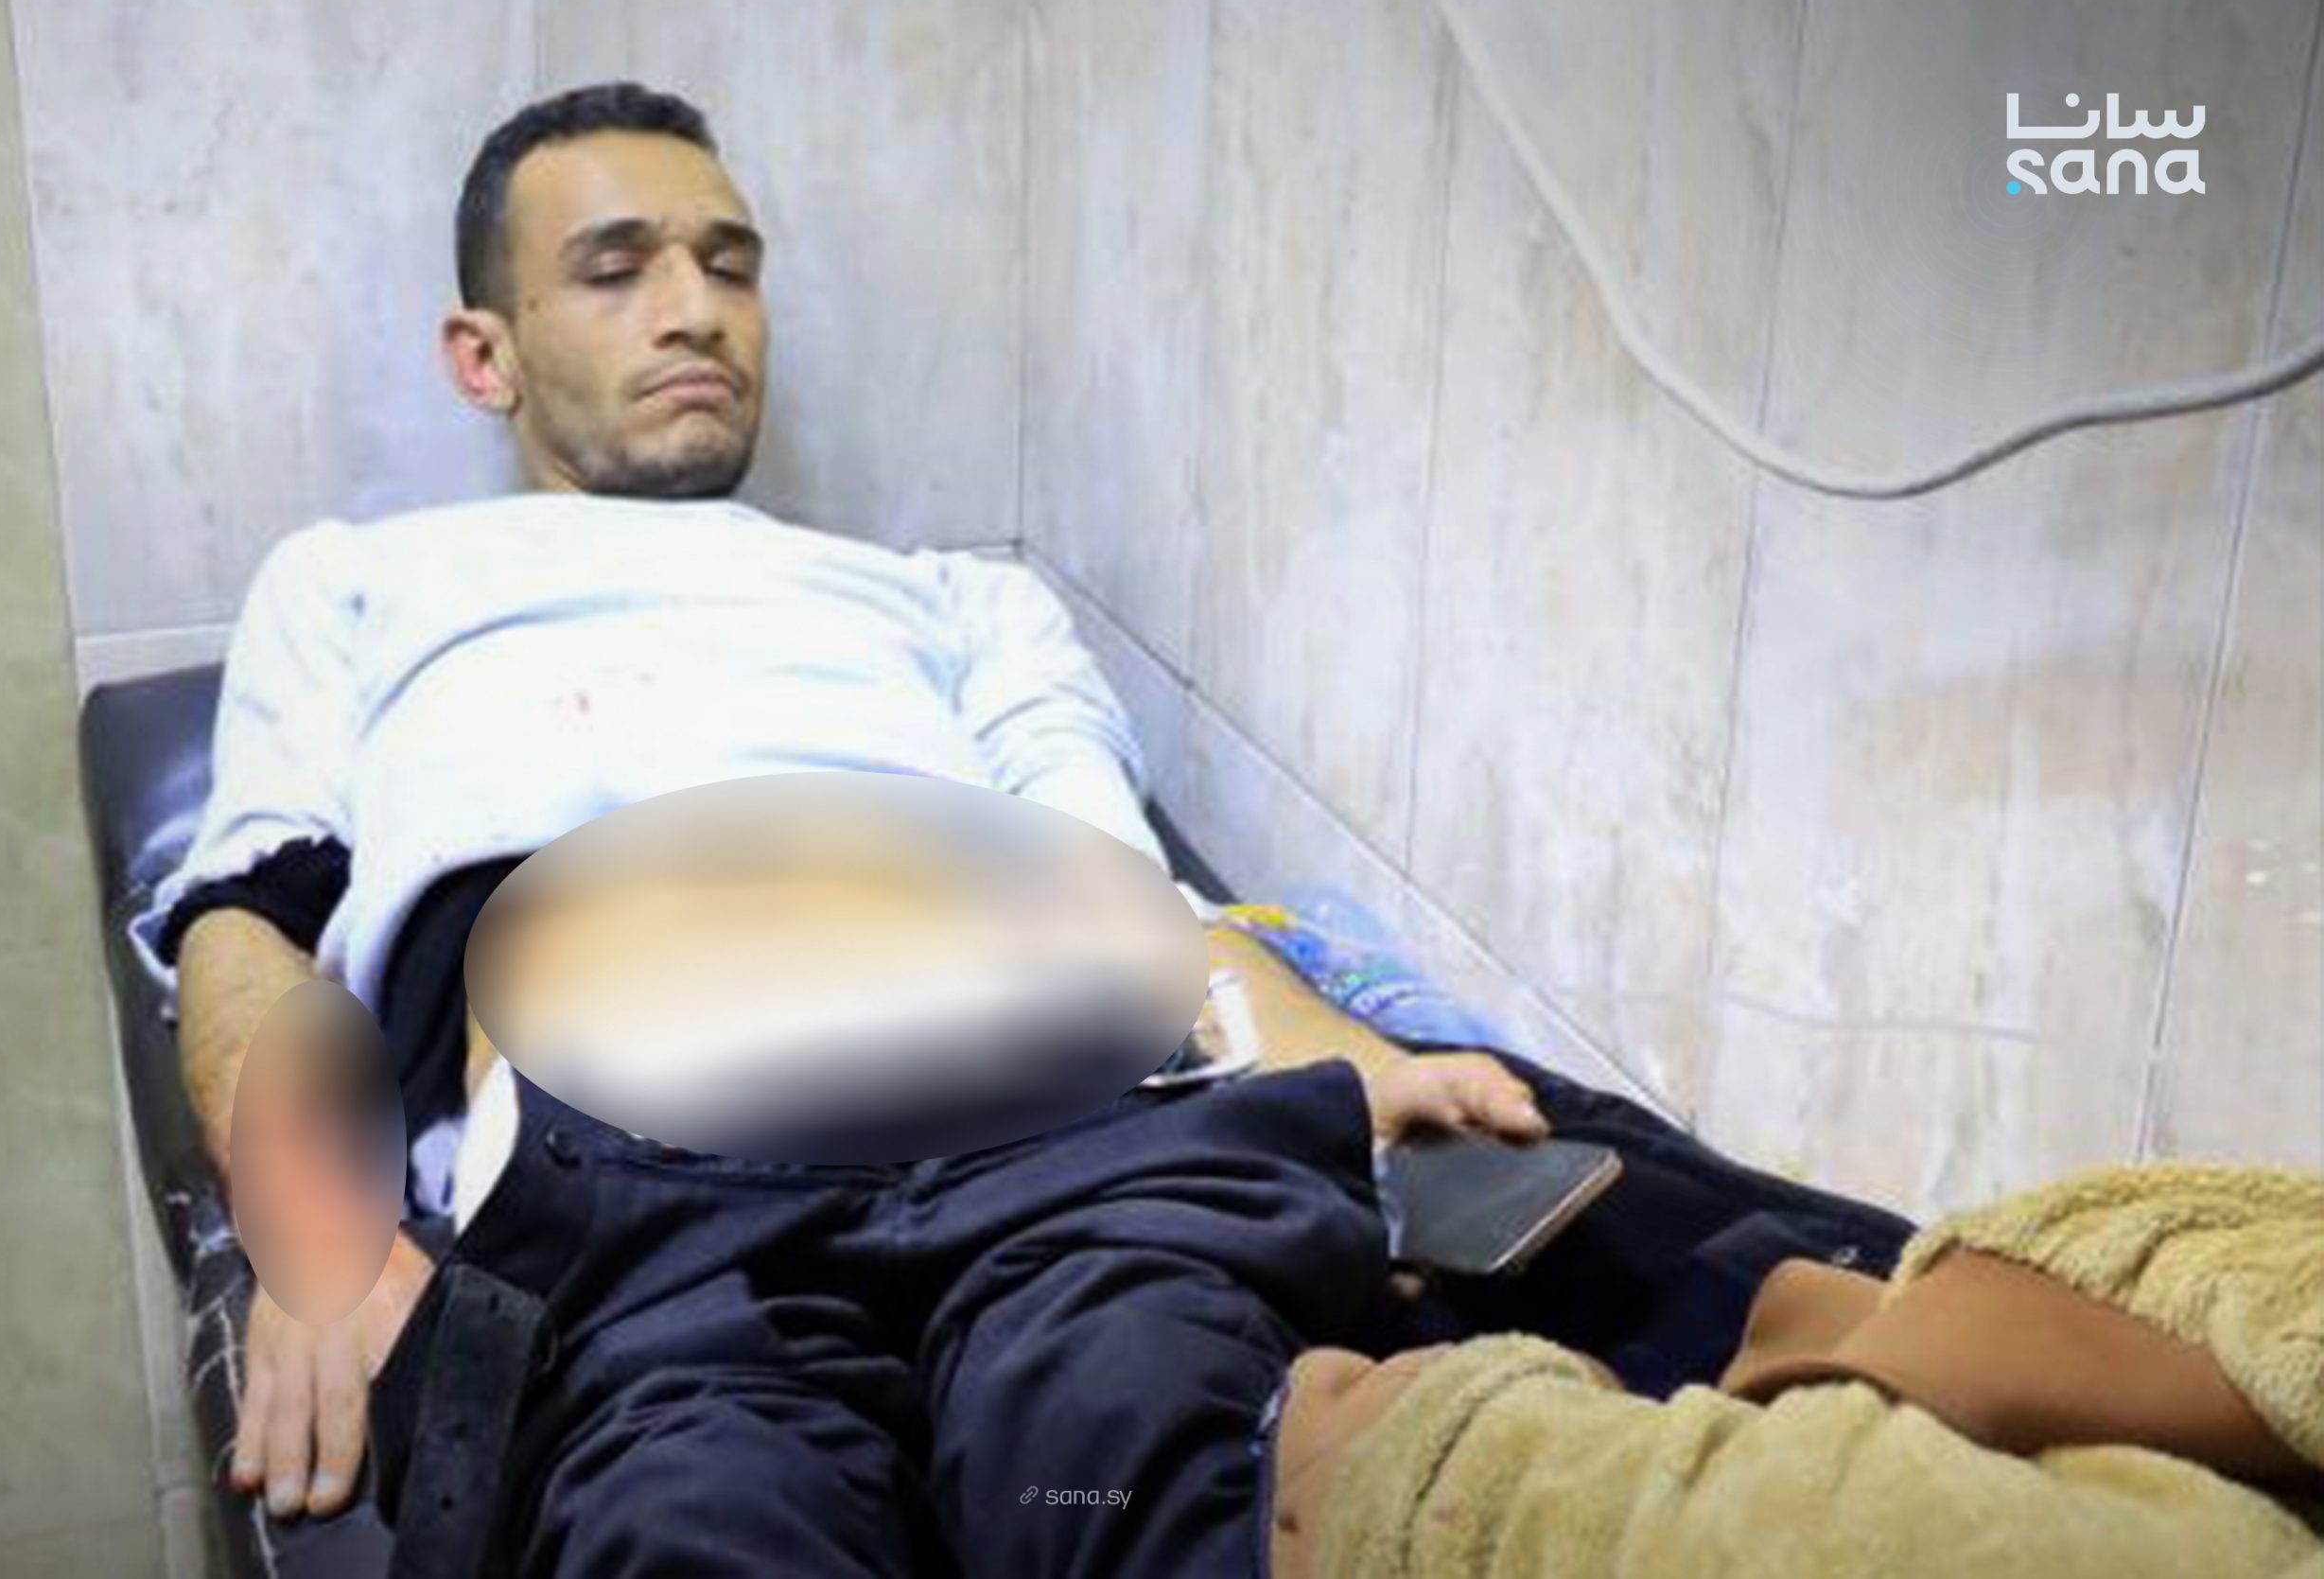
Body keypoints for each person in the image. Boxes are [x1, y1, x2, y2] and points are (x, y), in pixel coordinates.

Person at [139, 80, 1554, 1576]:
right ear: (482, 355)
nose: (696, 312)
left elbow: (1130, 896)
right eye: (617, 270)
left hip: (1043, 1113)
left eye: (730, 265)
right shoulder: (359, 584)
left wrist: (1341, 1058)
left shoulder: (955, 599)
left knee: (1128, 1460)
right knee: (699, 1520)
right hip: (637, 1182)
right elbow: (246, 916)